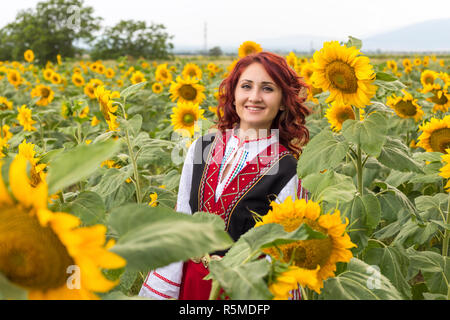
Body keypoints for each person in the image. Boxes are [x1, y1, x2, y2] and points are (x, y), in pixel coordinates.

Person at [139, 51, 311, 300]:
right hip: (193, 284)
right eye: (246, 86)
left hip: (246, 290)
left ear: (284, 101)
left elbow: (285, 258)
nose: (254, 97)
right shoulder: (202, 147)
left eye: (267, 89)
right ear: (234, 94)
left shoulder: (289, 170)